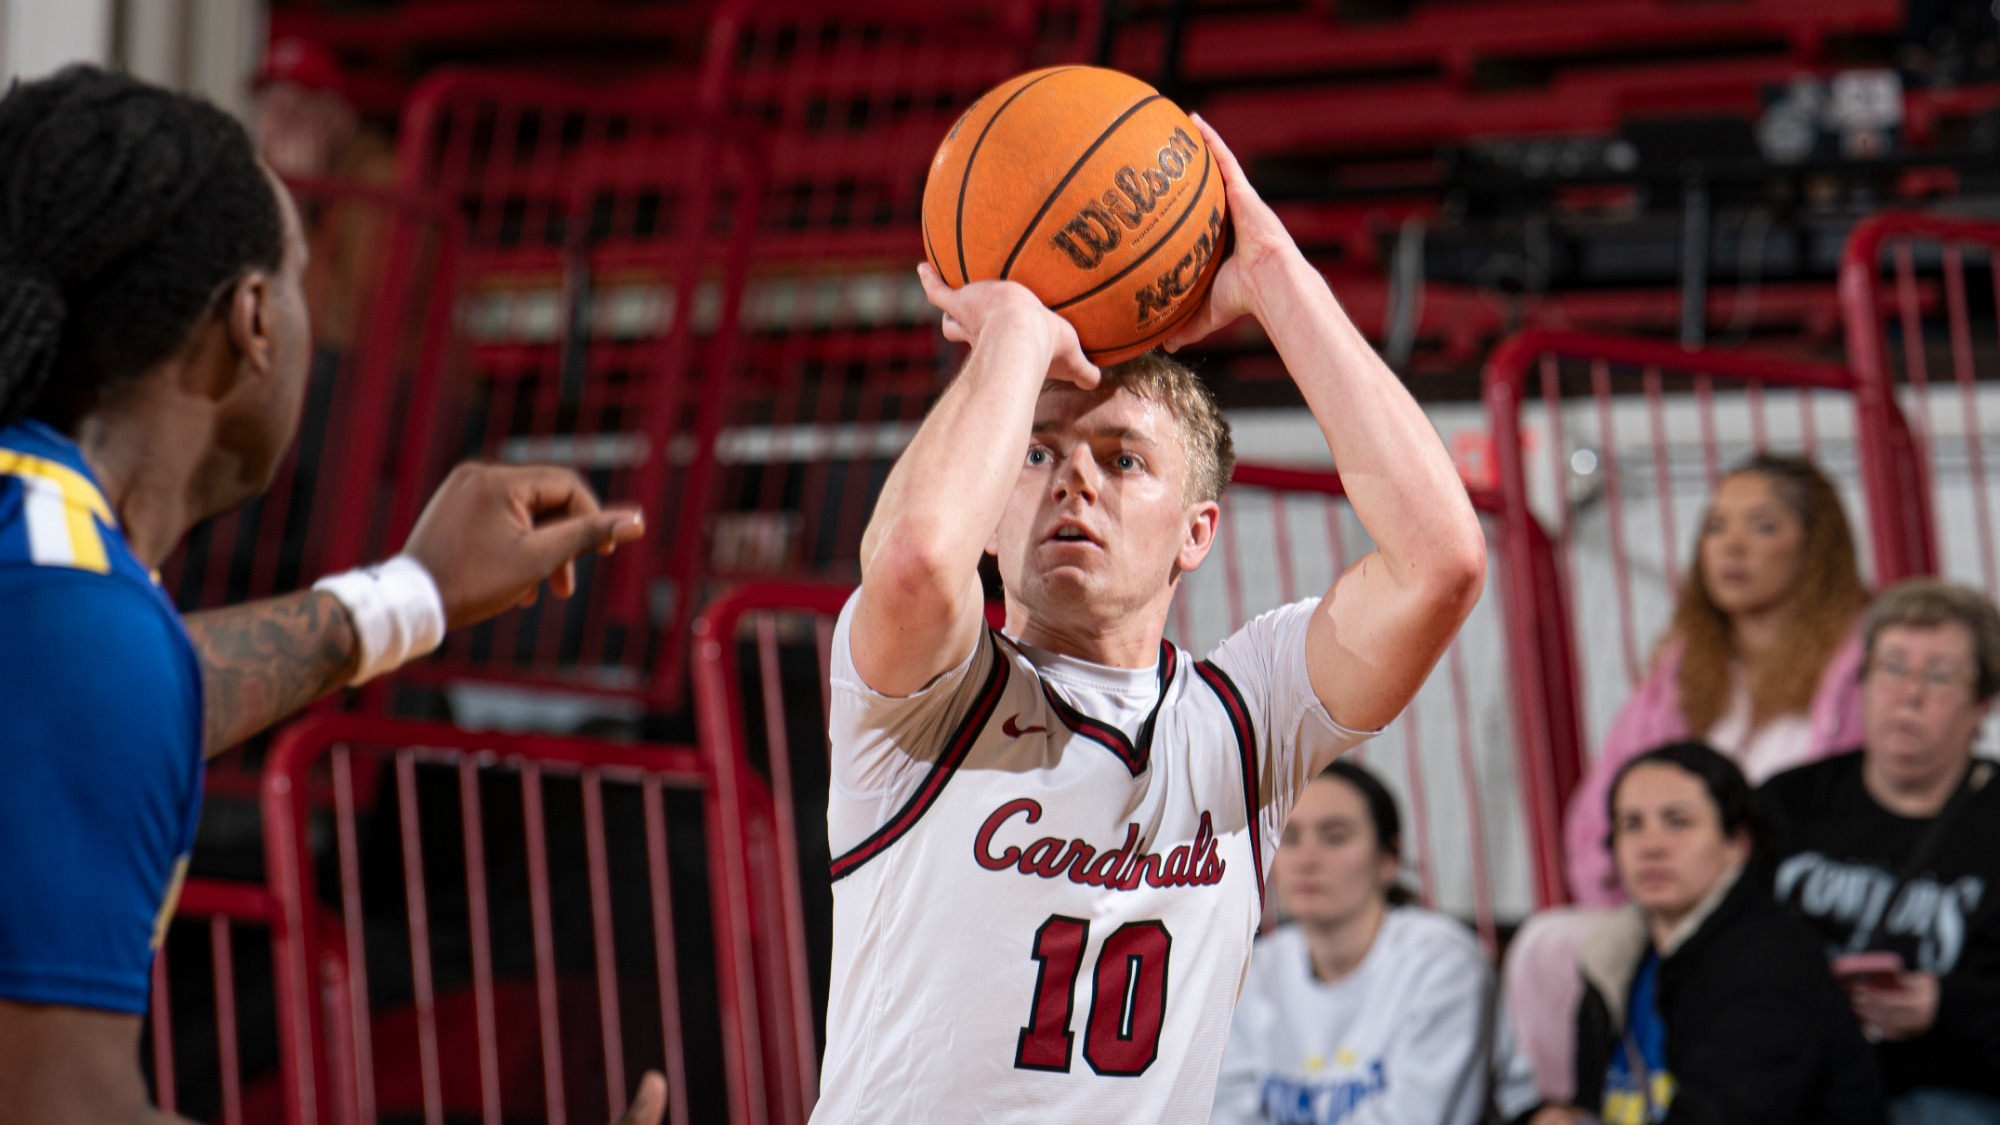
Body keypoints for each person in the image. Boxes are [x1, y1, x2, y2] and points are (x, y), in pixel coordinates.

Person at [0, 68, 657, 1125]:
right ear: (253, 320)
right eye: (302, 278)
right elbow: (66, 1113)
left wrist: (411, 595)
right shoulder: (75, 624)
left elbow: (136, 688)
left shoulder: (42, 566)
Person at [816, 110, 1486, 1124]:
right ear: (989, 514)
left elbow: (1441, 562)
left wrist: (1275, 278)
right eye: (1037, 452)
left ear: (1195, 531)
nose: (1073, 482)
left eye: (1122, 459)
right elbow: (912, 562)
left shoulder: (1245, 718)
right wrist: (1016, 335)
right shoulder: (925, 697)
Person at [1505, 452, 1870, 1095]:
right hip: (1667, 911)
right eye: (1716, 526)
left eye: (1762, 526)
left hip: (1795, 919)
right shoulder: (1681, 666)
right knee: (1547, 945)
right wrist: (1646, 898)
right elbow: (1601, 813)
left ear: (1816, 549)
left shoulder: (1860, 665)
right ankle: (1573, 1104)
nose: (1732, 546)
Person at [1521, 743, 1885, 1125]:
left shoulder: (1773, 965)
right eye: (1631, 824)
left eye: (1677, 822)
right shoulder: (1613, 957)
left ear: (1737, 844)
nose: (1651, 846)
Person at [1760, 578, 2000, 1124]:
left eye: (1939, 676)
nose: (1908, 693)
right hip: (1792, 1077)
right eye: (1891, 667)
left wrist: (1942, 1008)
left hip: (1941, 1089)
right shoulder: (1789, 801)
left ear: (1982, 704)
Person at [1210, 761, 1502, 1125]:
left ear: (1389, 858)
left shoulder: (1444, 965)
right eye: (1290, 838)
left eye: (1335, 837)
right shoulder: (1249, 972)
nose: (1306, 860)